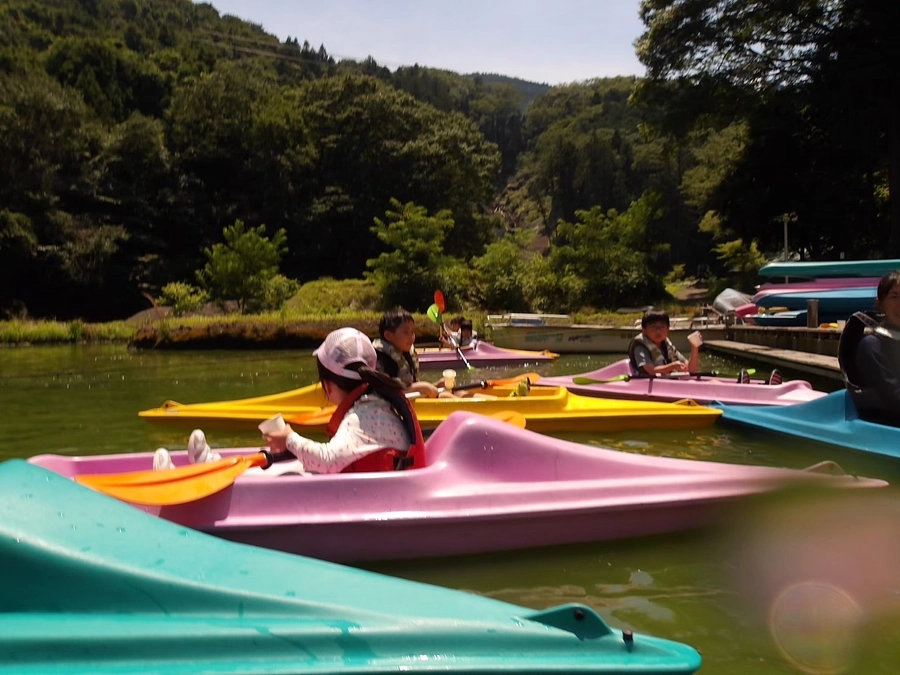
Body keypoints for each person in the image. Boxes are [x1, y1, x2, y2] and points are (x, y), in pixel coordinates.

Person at [844, 271, 900, 425]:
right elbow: (895, 397)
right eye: (894, 297)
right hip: (885, 426)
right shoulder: (872, 346)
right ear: (879, 304)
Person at [373, 306, 444, 398]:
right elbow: (386, 392)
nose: (412, 337)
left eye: (412, 332)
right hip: (391, 405)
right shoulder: (380, 360)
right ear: (388, 335)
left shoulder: (406, 354)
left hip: (411, 401)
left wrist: (435, 385)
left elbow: (413, 387)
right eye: (406, 332)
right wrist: (422, 387)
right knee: (444, 396)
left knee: (453, 394)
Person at [628, 309, 701, 377]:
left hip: (666, 383)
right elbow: (651, 371)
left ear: (668, 329)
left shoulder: (668, 346)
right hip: (645, 384)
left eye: (662, 327)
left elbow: (691, 370)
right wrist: (673, 366)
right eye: (653, 327)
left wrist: (694, 347)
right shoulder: (640, 347)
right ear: (644, 330)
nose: (658, 331)